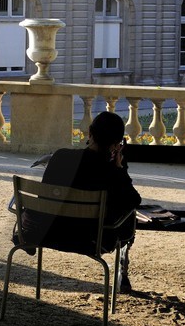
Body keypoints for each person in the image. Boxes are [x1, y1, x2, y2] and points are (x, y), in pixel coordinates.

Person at [24, 111, 141, 275]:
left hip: (49, 234)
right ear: (117, 144)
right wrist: (120, 169)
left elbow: (44, 199)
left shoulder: (60, 157)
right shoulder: (111, 171)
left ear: (90, 133)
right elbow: (134, 201)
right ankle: (123, 272)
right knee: (127, 214)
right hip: (91, 241)